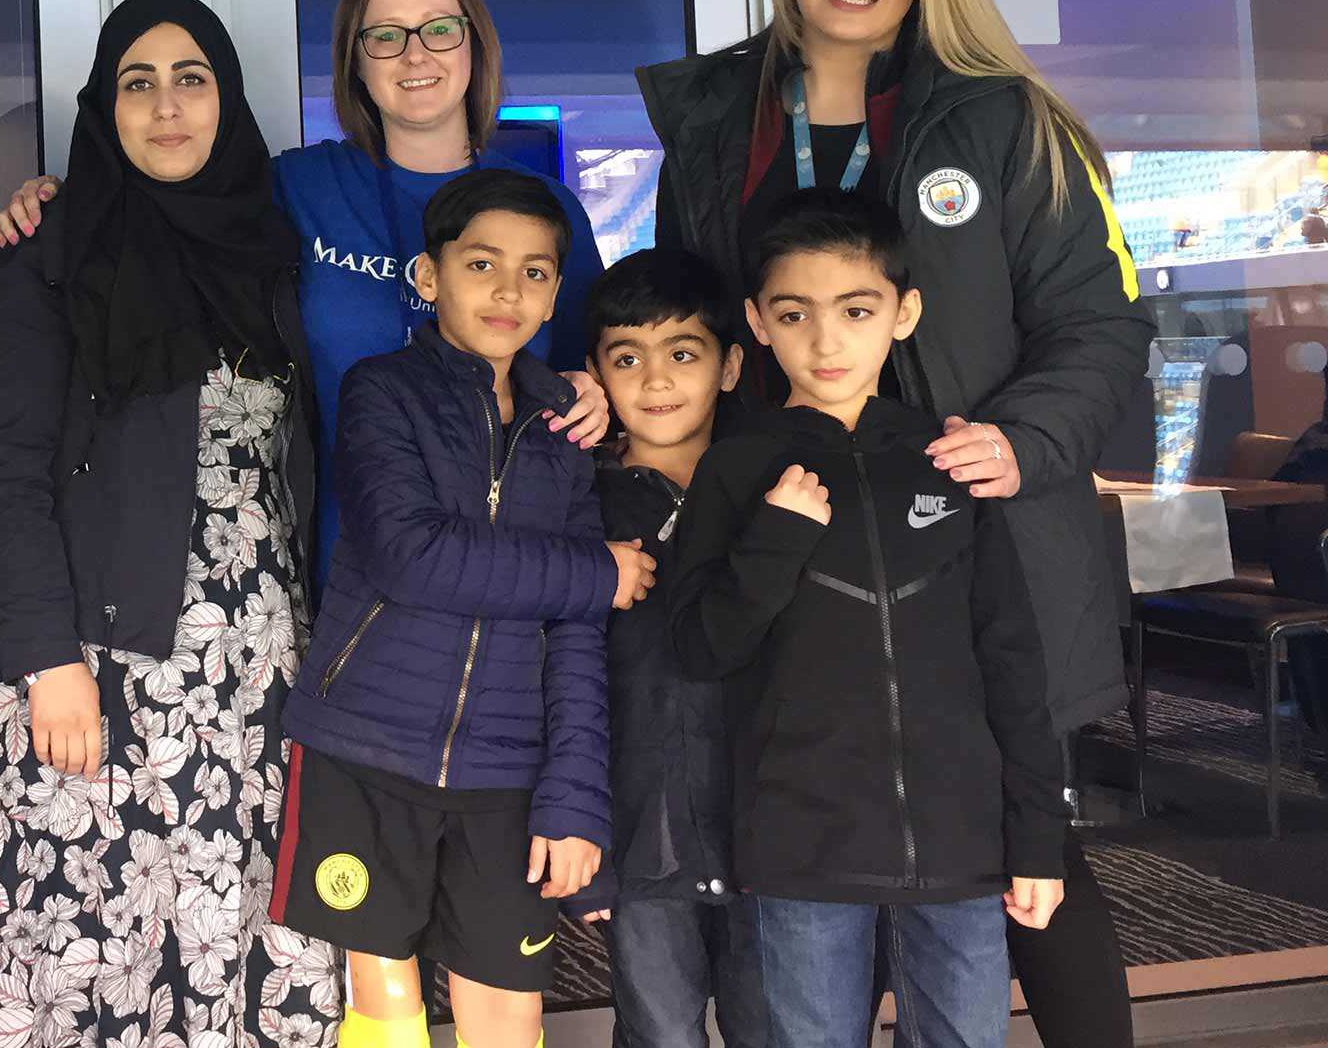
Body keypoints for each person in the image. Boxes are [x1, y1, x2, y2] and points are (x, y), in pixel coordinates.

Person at [639, 0, 1149, 1046]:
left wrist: (1022, 441)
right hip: (801, 533)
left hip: (970, 528)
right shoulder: (718, 120)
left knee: (1028, 847)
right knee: (827, 850)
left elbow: (1102, 322)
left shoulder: (1005, 120)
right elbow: (692, 316)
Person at [0, 0, 341, 1045]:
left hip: (264, 670)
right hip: (103, 665)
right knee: (94, 960)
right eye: (137, 82)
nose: (165, 107)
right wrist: (45, 660)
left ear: (226, 98)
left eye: (190, 79)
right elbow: (9, 469)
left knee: (243, 954)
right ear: (103, 107)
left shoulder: (271, 247)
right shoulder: (52, 250)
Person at [0, 0, 614, 587]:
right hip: (345, 571)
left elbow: (599, 377)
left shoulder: (548, 211)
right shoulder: (297, 187)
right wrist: (60, 201)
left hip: (514, 563)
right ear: (355, 60)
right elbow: (174, 195)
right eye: (385, 36)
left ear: (473, 42)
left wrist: (592, 393)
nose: (415, 54)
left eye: (438, 29)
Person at [667, 188, 1065, 1048]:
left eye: (856, 309)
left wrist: (1036, 836)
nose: (826, 338)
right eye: (793, 312)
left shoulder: (946, 458)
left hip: (962, 840)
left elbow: (1013, 659)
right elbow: (699, 647)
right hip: (799, 840)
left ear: (904, 311)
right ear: (757, 323)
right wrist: (774, 538)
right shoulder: (738, 469)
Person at [273, 170, 649, 1048]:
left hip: (508, 774)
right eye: (481, 264)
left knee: (507, 1019)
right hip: (368, 744)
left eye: (535, 271)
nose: (508, 291)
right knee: (387, 1013)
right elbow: (414, 556)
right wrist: (594, 571)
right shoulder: (382, 389)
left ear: (560, 288)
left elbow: (578, 641)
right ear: (428, 276)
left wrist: (575, 797)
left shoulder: (567, 427)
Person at [576, 247, 764, 1048]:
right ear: (595, 374)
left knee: (784, 1026)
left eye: (683, 354)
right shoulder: (576, 502)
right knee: (658, 1033)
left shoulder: (777, 489)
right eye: (628, 358)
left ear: (729, 367)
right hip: (638, 829)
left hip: (771, 829)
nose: (656, 382)